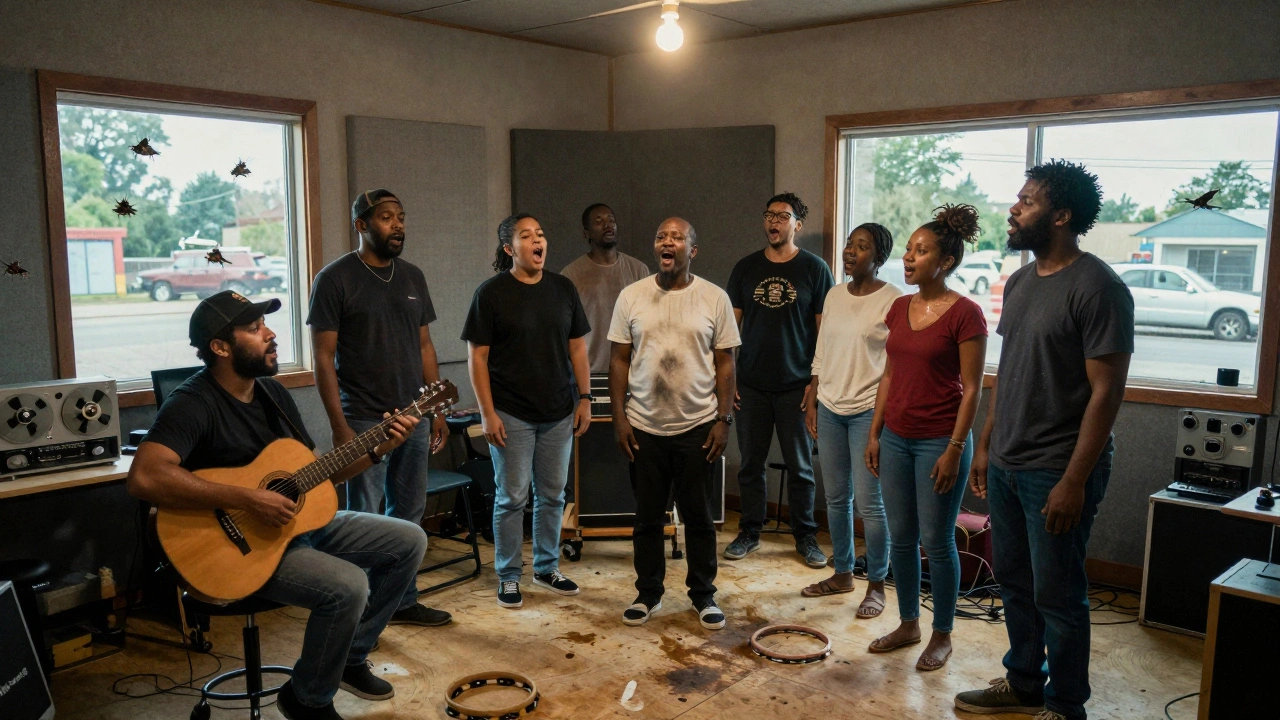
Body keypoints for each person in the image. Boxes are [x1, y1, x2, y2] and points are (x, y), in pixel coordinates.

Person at [127, 290, 429, 720]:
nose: (270, 336)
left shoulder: (271, 394)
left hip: (294, 525)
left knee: (409, 540)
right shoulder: (193, 403)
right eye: (254, 329)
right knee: (347, 586)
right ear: (220, 347)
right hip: (238, 551)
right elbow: (144, 476)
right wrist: (248, 498)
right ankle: (307, 699)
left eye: (265, 326)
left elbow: (315, 474)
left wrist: (379, 447)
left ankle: (348, 658)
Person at [955, 162, 1132, 720]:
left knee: (1058, 593)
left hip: (1057, 470)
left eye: (1026, 201)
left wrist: (1074, 481)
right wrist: (986, 446)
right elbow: (1007, 372)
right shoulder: (1023, 281)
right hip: (1008, 461)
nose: (1013, 208)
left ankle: (1065, 704)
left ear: (1060, 215)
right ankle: (1025, 680)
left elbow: (1106, 393)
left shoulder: (1100, 287)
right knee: (1014, 581)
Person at [308, 188, 451, 627]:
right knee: (366, 521)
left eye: (401, 216)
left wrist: (436, 407)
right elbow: (323, 358)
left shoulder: (413, 277)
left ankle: (401, 603)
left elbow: (424, 344)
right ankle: (363, 610)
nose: (398, 225)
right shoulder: (334, 279)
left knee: (408, 516)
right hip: (364, 419)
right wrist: (339, 426)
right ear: (361, 225)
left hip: (415, 414)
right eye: (387, 217)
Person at [866, 204, 987, 672]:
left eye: (922, 251)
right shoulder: (899, 307)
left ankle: (942, 634)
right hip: (896, 437)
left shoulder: (966, 313)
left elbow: (974, 387)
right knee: (901, 537)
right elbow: (890, 375)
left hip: (941, 439)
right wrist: (876, 433)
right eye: (909, 250)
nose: (909, 258)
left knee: (937, 541)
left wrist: (956, 449)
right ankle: (908, 623)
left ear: (947, 260)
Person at [609, 217, 740, 630]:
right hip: (644, 426)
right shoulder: (631, 296)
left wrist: (723, 419)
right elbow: (617, 360)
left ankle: (703, 595)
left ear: (692, 251)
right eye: (662, 237)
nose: (668, 242)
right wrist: (619, 418)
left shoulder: (714, 298)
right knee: (647, 518)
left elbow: (725, 363)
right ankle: (648, 593)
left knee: (698, 518)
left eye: (678, 237)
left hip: (698, 427)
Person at [462, 214, 592, 609]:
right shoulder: (491, 294)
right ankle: (508, 575)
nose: (537, 241)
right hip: (511, 413)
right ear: (509, 249)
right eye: (526, 235)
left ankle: (546, 567)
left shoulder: (563, 288)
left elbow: (577, 349)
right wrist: (487, 413)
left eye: (540, 233)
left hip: (558, 411)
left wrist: (585, 397)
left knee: (553, 496)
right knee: (512, 497)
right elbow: (477, 357)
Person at [724, 192, 835, 568]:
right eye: (769, 214)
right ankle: (750, 531)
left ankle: (805, 536)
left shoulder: (814, 269)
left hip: (796, 386)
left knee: (801, 467)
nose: (774, 221)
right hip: (751, 385)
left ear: (797, 225)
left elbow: (824, 333)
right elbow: (729, 330)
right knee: (750, 464)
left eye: (783, 216)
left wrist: (816, 385)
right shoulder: (745, 268)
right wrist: (729, 380)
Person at [800, 223, 900, 621]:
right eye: (848, 245)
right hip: (829, 406)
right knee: (836, 498)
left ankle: (876, 584)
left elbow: (896, 364)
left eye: (861, 247)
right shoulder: (835, 294)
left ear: (879, 258)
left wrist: (880, 422)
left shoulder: (893, 301)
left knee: (871, 504)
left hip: (867, 412)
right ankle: (842, 573)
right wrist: (812, 397)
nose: (850, 252)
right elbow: (822, 350)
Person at [560, 203, 651, 373]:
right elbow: (563, 331)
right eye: (598, 221)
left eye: (611, 220)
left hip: (633, 372)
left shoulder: (639, 270)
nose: (607, 225)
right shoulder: (570, 275)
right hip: (588, 372)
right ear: (586, 233)